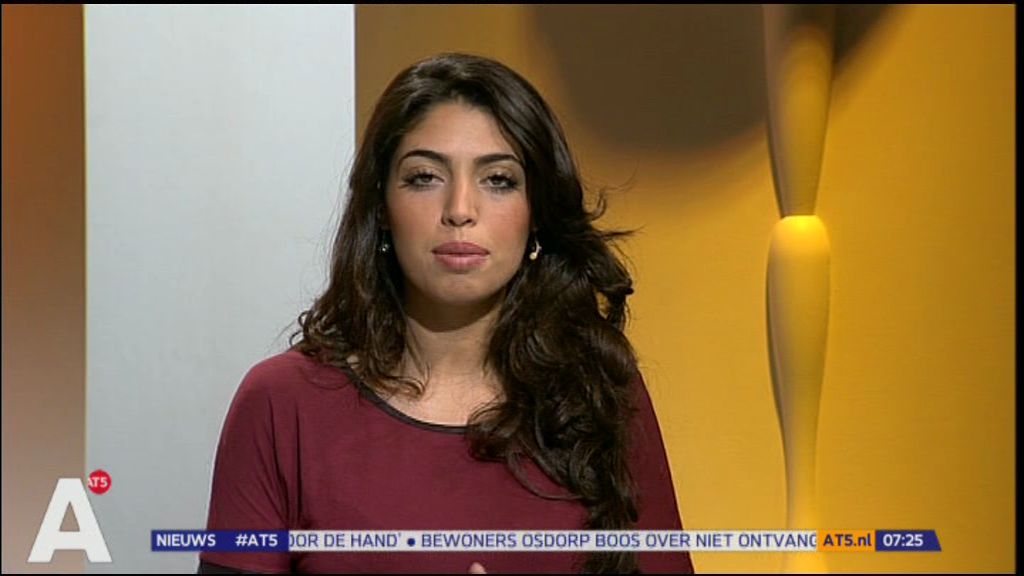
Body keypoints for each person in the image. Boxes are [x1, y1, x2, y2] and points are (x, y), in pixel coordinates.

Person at [198, 52, 694, 574]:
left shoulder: (600, 391)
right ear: (381, 207)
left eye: (498, 180)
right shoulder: (282, 404)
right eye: (425, 177)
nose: (460, 209)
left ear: (537, 213)